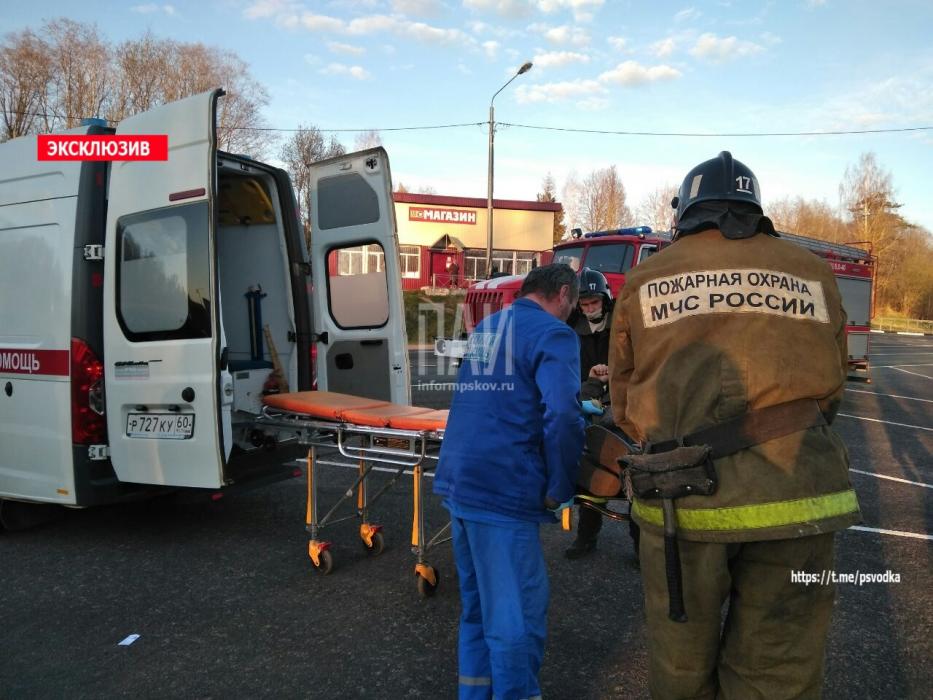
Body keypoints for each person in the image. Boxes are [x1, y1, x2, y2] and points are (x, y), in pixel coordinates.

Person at [608, 151, 861, 699]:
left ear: (688, 211)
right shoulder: (812, 271)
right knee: (779, 673)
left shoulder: (647, 276)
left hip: (684, 505)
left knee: (681, 671)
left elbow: (624, 402)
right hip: (801, 497)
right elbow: (834, 384)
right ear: (755, 208)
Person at [434, 263, 585, 700]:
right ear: (561, 293)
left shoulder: (487, 329)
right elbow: (563, 417)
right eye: (572, 304)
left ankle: (476, 693)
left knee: (479, 612)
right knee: (516, 616)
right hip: (503, 493)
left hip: (460, 483)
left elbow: (492, 398)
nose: (571, 313)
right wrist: (560, 487)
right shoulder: (555, 335)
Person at [564, 268, 640, 561]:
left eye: (593, 302)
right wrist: (591, 376)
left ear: (605, 300)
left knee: (634, 474)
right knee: (591, 472)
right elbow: (569, 369)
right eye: (583, 304)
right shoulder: (573, 330)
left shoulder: (623, 325)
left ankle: (639, 545)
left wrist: (616, 375)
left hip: (625, 407)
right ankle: (586, 537)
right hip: (591, 402)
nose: (588, 308)